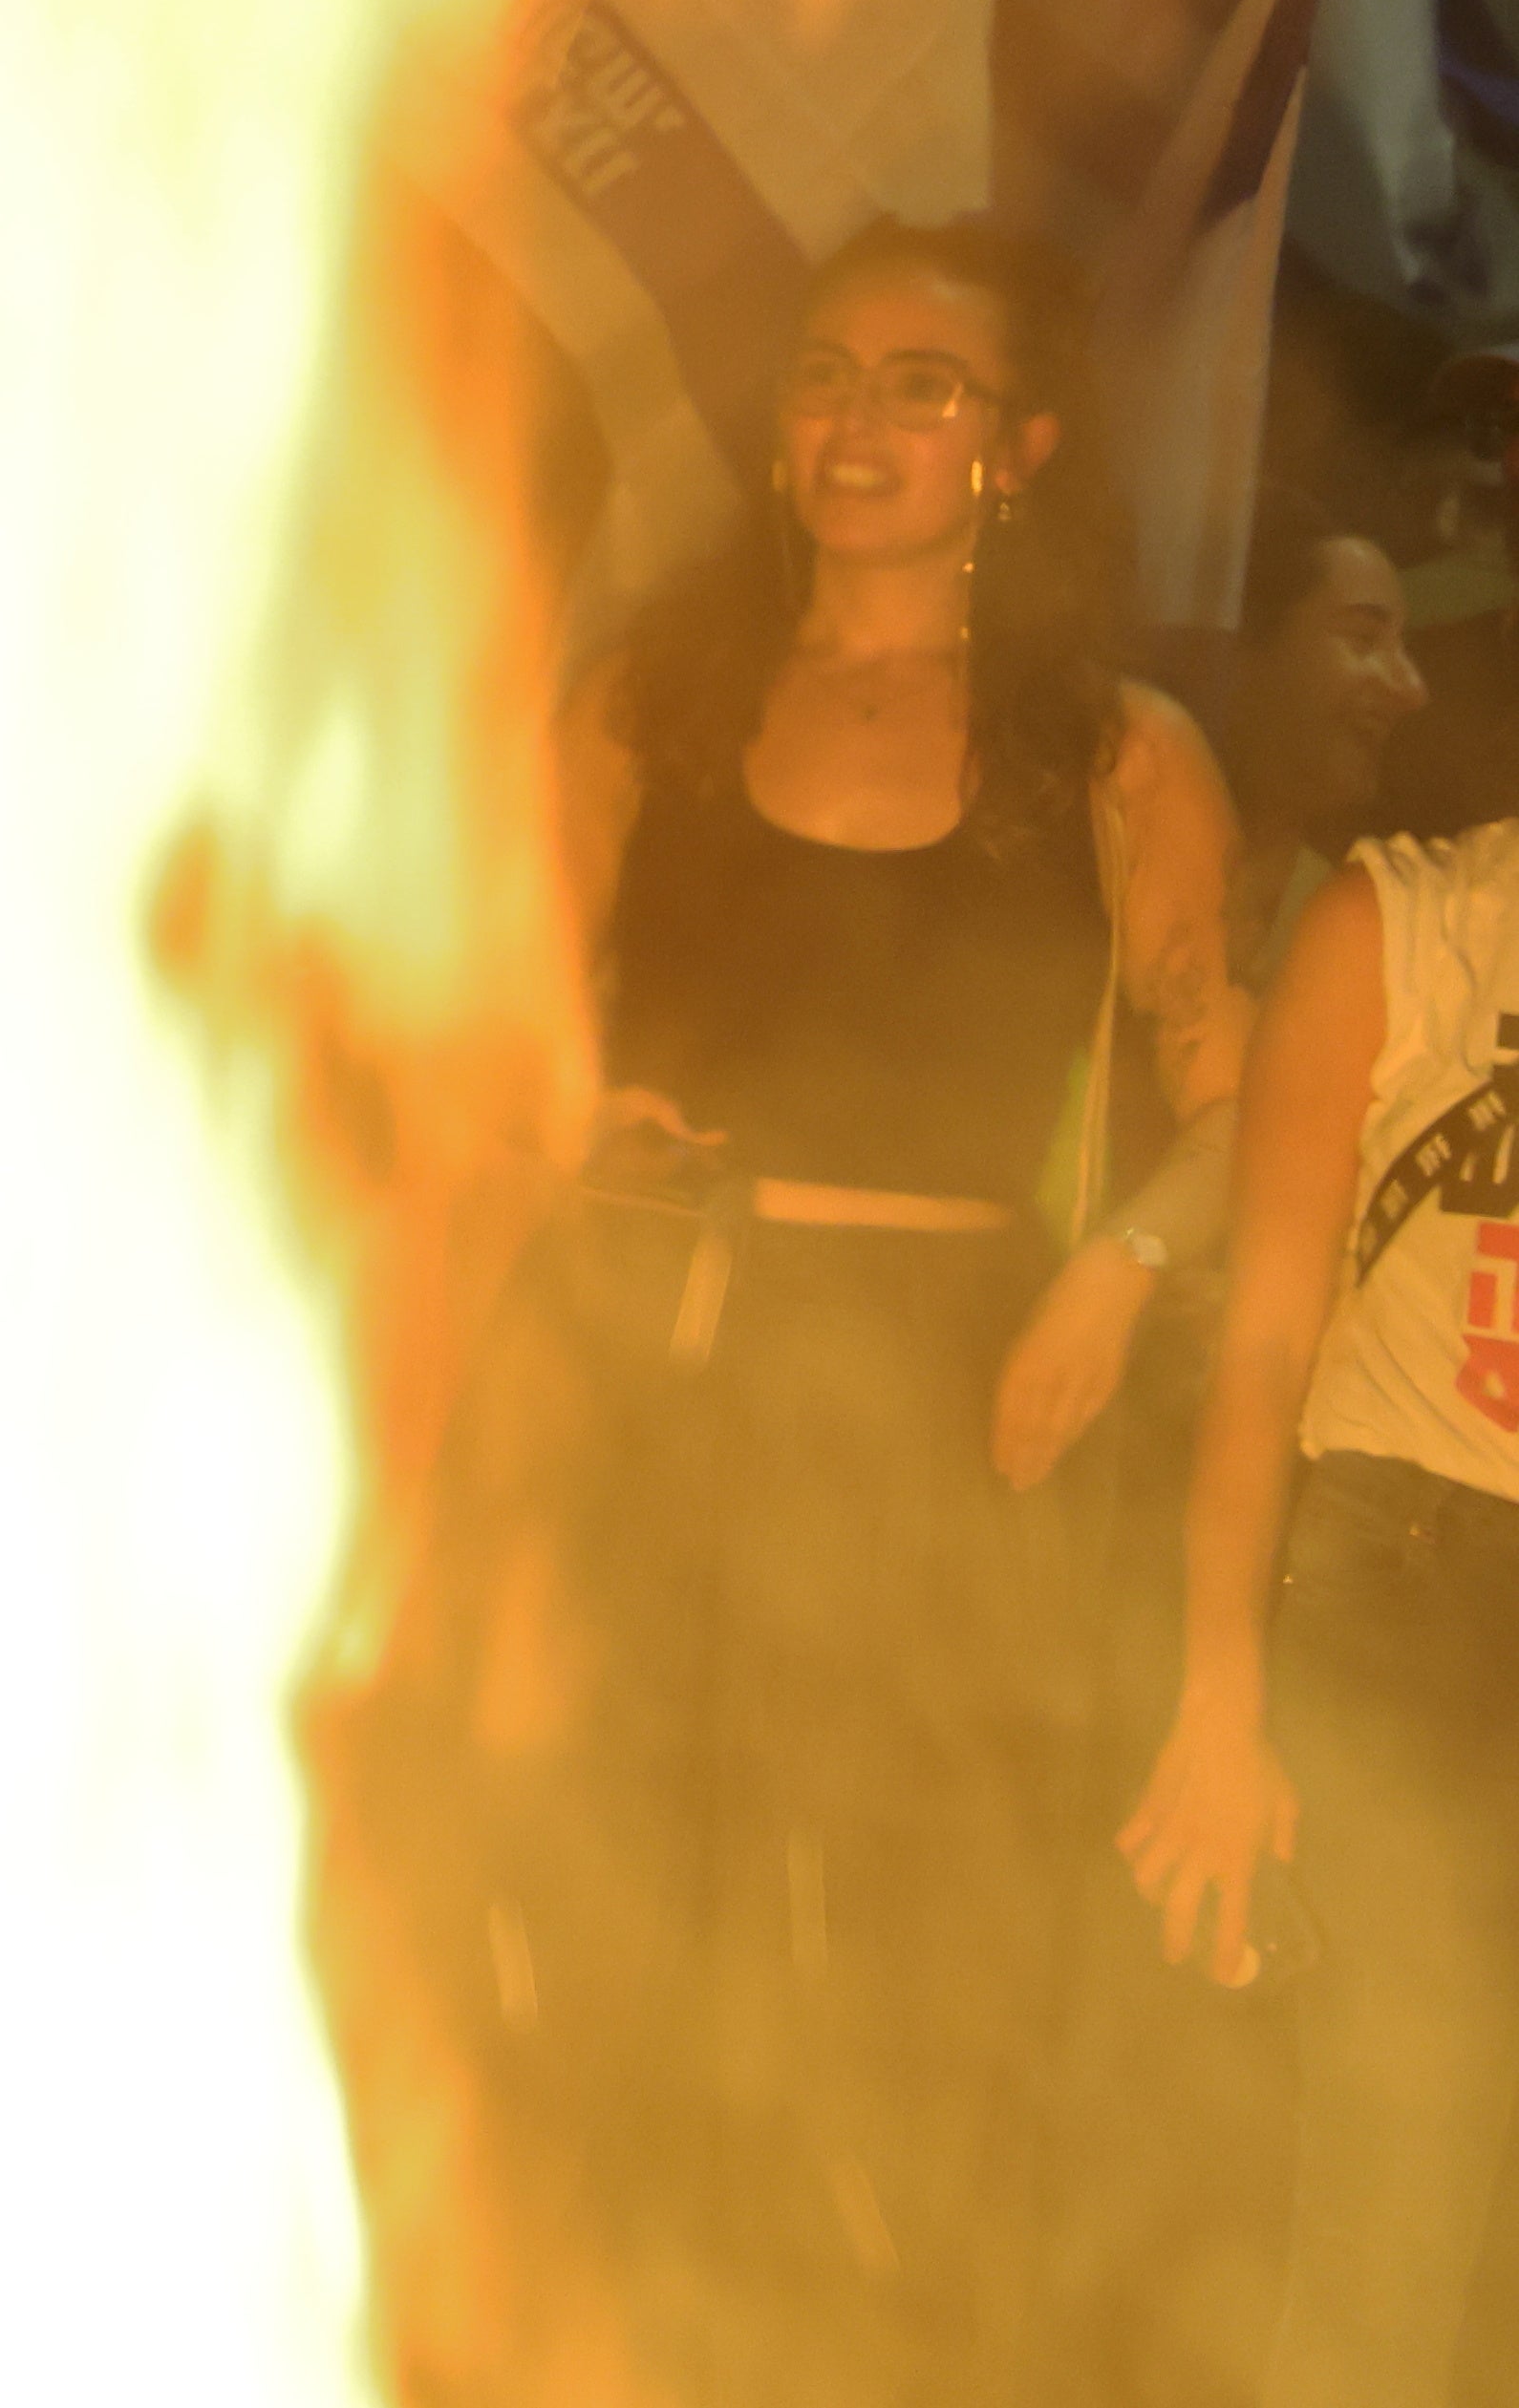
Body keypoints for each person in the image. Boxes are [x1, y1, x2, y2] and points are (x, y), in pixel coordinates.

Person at [545, 219, 1252, 2408]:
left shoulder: (1110, 752)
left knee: (890, 1953)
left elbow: (1243, 1100)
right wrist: (577, 1110)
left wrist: (1118, 1272)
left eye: (923, 386)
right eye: (830, 374)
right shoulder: (653, 693)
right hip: (639, 1352)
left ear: (1020, 447)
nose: (857, 421)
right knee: (609, 1907)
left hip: (943, 1399)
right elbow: (499, 993)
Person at [1119, 789, 1519, 2408]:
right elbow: (1265, 1348)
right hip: (1409, 1587)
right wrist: (1220, 1709)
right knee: (1392, 2222)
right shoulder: (1404, 926)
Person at [1215, 487, 1438, 966]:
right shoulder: (1118, 858)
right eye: (1363, 638)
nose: (1412, 689)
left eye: (1404, 647)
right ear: (1251, 647)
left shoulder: (1355, 928)